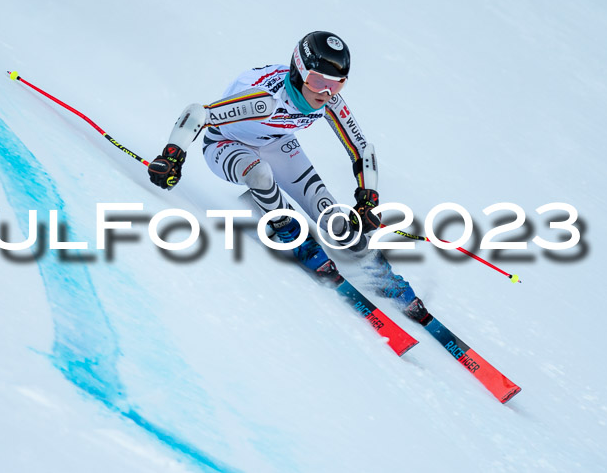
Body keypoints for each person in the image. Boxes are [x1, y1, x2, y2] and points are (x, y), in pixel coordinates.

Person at [147, 31, 428, 322]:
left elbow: (361, 148)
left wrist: (368, 197)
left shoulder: (330, 101)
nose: (326, 93)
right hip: (225, 144)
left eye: (337, 84)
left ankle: (382, 275)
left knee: (332, 216)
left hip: (276, 141)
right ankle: (293, 236)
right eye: (319, 82)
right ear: (298, 71)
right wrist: (172, 155)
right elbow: (198, 113)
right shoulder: (264, 101)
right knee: (259, 173)